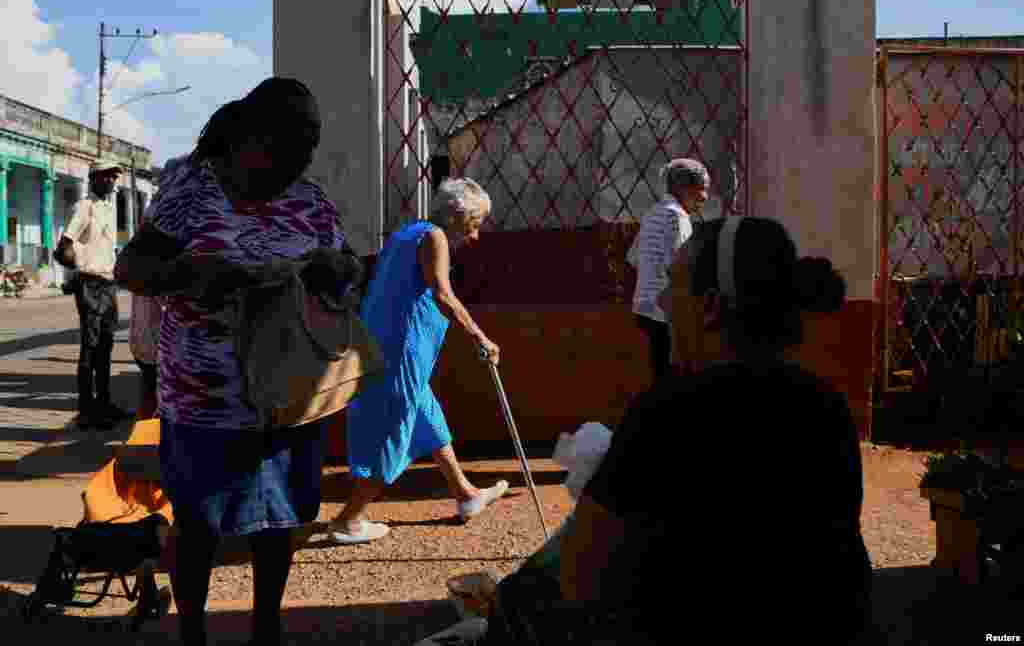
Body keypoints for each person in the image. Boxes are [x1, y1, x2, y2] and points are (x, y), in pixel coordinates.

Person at [421, 216, 873, 645]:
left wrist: (503, 607)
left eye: (673, 284)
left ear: (711, 306)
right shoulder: (824, 406)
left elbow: (580, 573)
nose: (660, 302)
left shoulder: (678, 410)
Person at [114, 77, 360, 646]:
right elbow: (132, 267)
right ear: (249, 136)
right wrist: (194, 275)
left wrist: (340, 273)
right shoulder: (191, 191)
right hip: (204, 397)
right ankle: (193, 630)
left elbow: (345, 268)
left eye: (310, 145)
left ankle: (266, 626)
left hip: (287, 394)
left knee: (278, 520)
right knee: (198, 522)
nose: (301, 158)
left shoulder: (310, 200)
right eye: (289, 143)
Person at [326, 177, 508, 545]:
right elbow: (443, 294)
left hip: (384, 345)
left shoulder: (408, 232)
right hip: (401, 352)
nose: (474, 236)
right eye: (475, 224)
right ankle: (349, 519)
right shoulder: (435, 238)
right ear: (459, 217)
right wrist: (480, 337)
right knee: (393, 431)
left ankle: (466, 495)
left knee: (427, 419)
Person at [59, 158, 133, 429]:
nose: (112, 181)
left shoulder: (108, 208)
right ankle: (86, 410)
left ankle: (104, 403)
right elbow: (64, 246)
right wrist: (78, 270)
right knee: (90, 348)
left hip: (108, 283)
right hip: (90, 283)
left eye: (115, 177)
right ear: (93, 178)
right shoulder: (84, 207)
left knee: (106, 345)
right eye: (106, 176)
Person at [626, 158, 709, 386]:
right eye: (701, 189)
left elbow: (633, 258)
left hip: (644, 307)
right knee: (673, 377)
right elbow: (679, 267)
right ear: (684, 189)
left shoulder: (652, 213)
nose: (705, 197)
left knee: (659, 371)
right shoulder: (678, 217)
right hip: (666, 311)